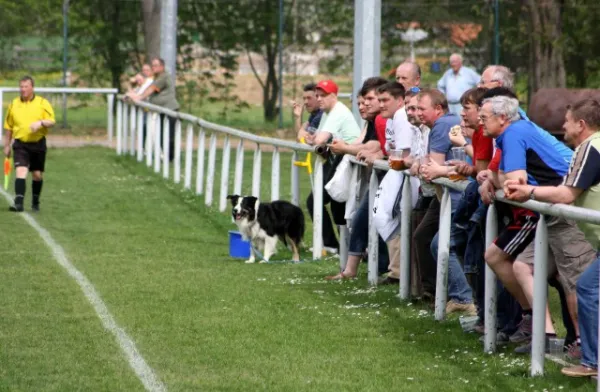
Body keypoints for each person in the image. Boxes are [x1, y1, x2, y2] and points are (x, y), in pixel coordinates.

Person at [480, 94, 596, 353]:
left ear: (502, 118)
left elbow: (515, 184)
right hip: (552, 212)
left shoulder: (513, 133)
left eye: (484, 117)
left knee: (577, 281)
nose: (480, 122)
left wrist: (494, 179)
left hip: (568, 212)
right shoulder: (513, 132)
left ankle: (584, 348)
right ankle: (546, 337)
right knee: (524, 267)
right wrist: (493, 178)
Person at [410, 89, 461, 300]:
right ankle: (434, 292)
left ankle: (459, 296)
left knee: (438, 242)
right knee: (423, 237)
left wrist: (421, 164)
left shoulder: (441, 125)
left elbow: (433, 167)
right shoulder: (441, 124)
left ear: (438, 109)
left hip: (454, 195)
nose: (419, 113)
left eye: (423, 109)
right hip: (446, 194)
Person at [306, 79, 360, 254]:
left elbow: (318, 139)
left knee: (330, 204)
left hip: (350, 161)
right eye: (318, 95)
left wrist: (314, 139)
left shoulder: (337, 111)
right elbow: (314, 139)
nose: (319, 99)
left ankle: (345, 247)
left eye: (323, 96)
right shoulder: (327, 113)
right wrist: (314, 139)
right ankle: (345, 247)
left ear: (334, 96)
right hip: (339, 160)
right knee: (335, 205)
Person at [3, 76, 55, 212]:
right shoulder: (14, 104)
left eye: (26, 86)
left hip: (38, 144)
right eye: (21, 86)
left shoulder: (42, 103)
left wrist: (41, 123)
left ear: (32, 88)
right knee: (21, 171)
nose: (23, 89)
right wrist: (7, 145)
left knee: (37, 175)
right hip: (20, 144)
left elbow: (52, 121)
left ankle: (35, 201)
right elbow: (8, 126)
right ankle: (18, 202)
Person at [130, 57, 180, 162]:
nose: (153, 67)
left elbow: (151, 89)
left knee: (168, 135)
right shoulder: (157, 77)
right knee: (162, 134)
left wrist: (139, 97)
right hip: (162, 110)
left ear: (162, 66)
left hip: (170, 109)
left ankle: (170, 158)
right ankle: (166, 156)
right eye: (152, 65)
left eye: (155, 65)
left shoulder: (163, 77)